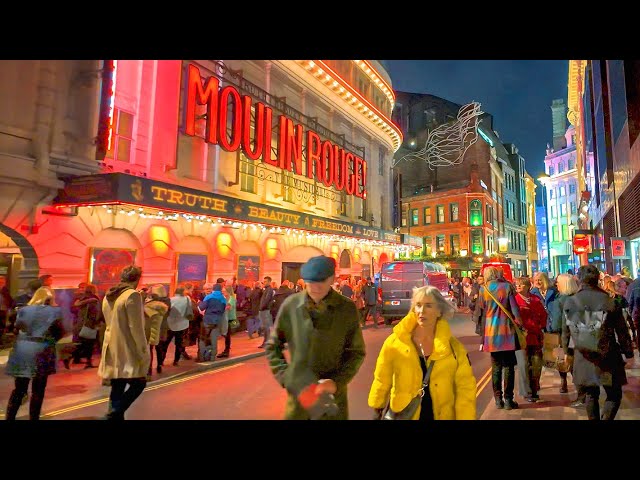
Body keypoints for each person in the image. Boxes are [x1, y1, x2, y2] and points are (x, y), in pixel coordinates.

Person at [265, 255, 365, 420]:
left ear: (332, 279)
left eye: (321, 281)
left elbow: (356, 352)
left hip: (332, 399)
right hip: (300, 396)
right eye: (311, 282)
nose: (316, 287)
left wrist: (337, 382)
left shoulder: (346, 309)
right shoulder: (291, 305)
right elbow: (273, 346)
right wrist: (286, 377)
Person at [368, 285, 476, 420]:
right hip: (404, 415)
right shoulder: (395, 342)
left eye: (429, 305)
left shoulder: (454, 349)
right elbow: (382, 378)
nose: (421, 311)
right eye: (418, 305)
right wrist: (377, 407)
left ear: (439, 311)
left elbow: (465, 390)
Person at [562, 265, 634, 420]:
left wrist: (567, 353)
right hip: (608, 355)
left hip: (583, 355)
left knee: (590, 394)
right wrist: (629, 353)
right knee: (614, 394)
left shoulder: (570, 302)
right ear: (597, 279)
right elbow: (622, 332)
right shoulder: (609, 301)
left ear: (579, 280)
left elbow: (566, 333)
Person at [5, 287, 65, 420]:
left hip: (22, 350)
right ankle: (34, 418)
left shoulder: (23, 310)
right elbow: (59, 332)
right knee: (38, 390)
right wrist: (49, 340)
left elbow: (15, 328)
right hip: (41, 351)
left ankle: (9, 417)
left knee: (19, 389)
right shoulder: (54, 311)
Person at [98, 265, 150, 420]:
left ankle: (115, 415)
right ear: (137, 279)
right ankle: (113, 413)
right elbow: (136, 327)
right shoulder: (132, 295)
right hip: (126, 346)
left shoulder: (109, 294)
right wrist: (143, 350)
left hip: (110, 344)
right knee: (139, 383)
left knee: (118, 385)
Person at [476, 266, 523, 410]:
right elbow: (515, 309)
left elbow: (482, 309)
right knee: (509, 366)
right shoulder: (507, 287)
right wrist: (520, 324)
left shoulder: (483, 289)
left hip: (491, 331)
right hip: (506, 330)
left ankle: (498, 400)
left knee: (496, 367)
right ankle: (509, 400)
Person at [514, 276, 547, 402]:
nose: (518, 286)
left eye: (520, 285)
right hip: (521, 337)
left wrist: (541, 327)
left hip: (535, 336)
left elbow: (543, 315)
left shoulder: (535, 299)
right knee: (523, 365)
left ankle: (534, 390)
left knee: (536, 364)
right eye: (516, 284)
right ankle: (526, 392)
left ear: (527, 286)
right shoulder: (514, 300)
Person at [72, 284, 102, 369]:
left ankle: (71, 356)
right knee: (89, 344)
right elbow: (95, 312)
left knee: (83, 343)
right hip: (90, 325)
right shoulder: (94, 299)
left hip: (80, 324)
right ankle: (88, 362)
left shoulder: (82, 298)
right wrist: (97, 322)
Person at [144, 285, 170, 376]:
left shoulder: (149, 308)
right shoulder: (166, 303)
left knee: (149, 350)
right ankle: (159, 364)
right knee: (160, 348)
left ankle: (149, 370)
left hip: (152, 330)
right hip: (162, 327)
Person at [197, 283, 227, 361]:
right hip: (217, 321)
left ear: (213, 289)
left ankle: (202, 356)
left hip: (207, 320)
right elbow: (223, 310)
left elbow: (201, 308)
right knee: (214, 339)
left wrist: (200, 304)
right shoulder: (223, 298)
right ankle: (212, 356)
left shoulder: (209, 297)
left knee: (203, 338)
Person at [164, 287, 192, 366]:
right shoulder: (187, 299)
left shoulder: (171, 300)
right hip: (183, 324)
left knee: (166, 343)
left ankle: (162, 359)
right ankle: (176, 360)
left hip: (171, 324)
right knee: (179, 344)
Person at [218, 285, 237, 358]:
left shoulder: (231, 299)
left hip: (230, 319)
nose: (222, 292)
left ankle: (226, 350)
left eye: (224, 291)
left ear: (228, 291)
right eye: (222, 291)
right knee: (226, 335)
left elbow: (228, 308)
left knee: (227, 335)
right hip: (226, 318)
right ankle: (226, 350)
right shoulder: (225, 298)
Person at [258, 276, 275, 349]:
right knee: (265, 327)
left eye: (265, 281)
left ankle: (266, 343)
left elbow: (266, 300)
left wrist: (261, 308)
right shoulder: (266, 289)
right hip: (264, 310)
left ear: (269, 282)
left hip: (266, 310)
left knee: (266, 327)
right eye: (263, 281)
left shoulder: (269, 290)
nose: (263, 283)